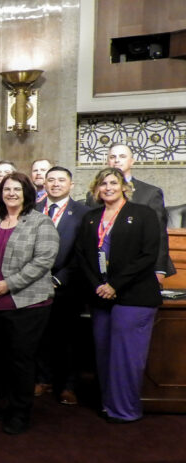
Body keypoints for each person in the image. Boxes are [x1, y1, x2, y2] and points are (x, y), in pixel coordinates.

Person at [75, 167, 162, 424]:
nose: (108, 188)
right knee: (103, 354)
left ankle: (125, 411)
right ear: (96, 189)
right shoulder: (91, 217)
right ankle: (108, 404)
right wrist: (98, 285)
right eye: (103, 184)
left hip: (134, 296)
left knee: (126, 356)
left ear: (124, 186)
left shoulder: (143, 214)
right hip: (101, 296)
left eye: (113, 183)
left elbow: (148, 255)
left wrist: (115, 284)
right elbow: (82, 254)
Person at [0, 172, 59, 435]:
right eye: (7, 189)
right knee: (2, 359)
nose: (11, 193)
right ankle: (10, 403)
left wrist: (8, 284)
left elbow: (43, 262)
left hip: (27, 303)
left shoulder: (40, 222)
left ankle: (21, 412)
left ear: (27, 194)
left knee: (21, 359)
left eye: (17, 189)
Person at [33, 166, 90, 405]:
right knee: (40, 334)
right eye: (51, 180)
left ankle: (68, 385)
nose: (55, 184)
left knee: (68, 338)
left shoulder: (84, 213)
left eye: (61, 180)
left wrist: (59, 278)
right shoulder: (33, 210)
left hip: (67, 285)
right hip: (34, 283)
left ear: (71, 185)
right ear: (44, 184)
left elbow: (83, 252)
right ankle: (43, 379)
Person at [97, 144, 174, 280]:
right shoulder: (97, 194)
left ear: (132, 161)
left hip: (140, 266)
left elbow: (159, 234)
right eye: (112, 157)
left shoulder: (149, 193)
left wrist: (160, 269)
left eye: (122, 156)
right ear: (107, 161)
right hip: (103, 266)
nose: (117, 160)